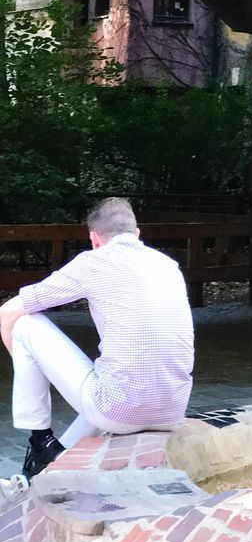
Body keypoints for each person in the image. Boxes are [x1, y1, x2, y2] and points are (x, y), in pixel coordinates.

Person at [0, 197, 194, 482]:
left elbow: (8, 311)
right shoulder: (168, 266)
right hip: (173, 407)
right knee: (113, 382)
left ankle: (40, 439)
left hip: (117, 408)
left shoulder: (93, 262)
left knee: (24, 323)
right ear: (136, 233)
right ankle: (53, 461)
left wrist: (30, 366)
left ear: (94, 238)